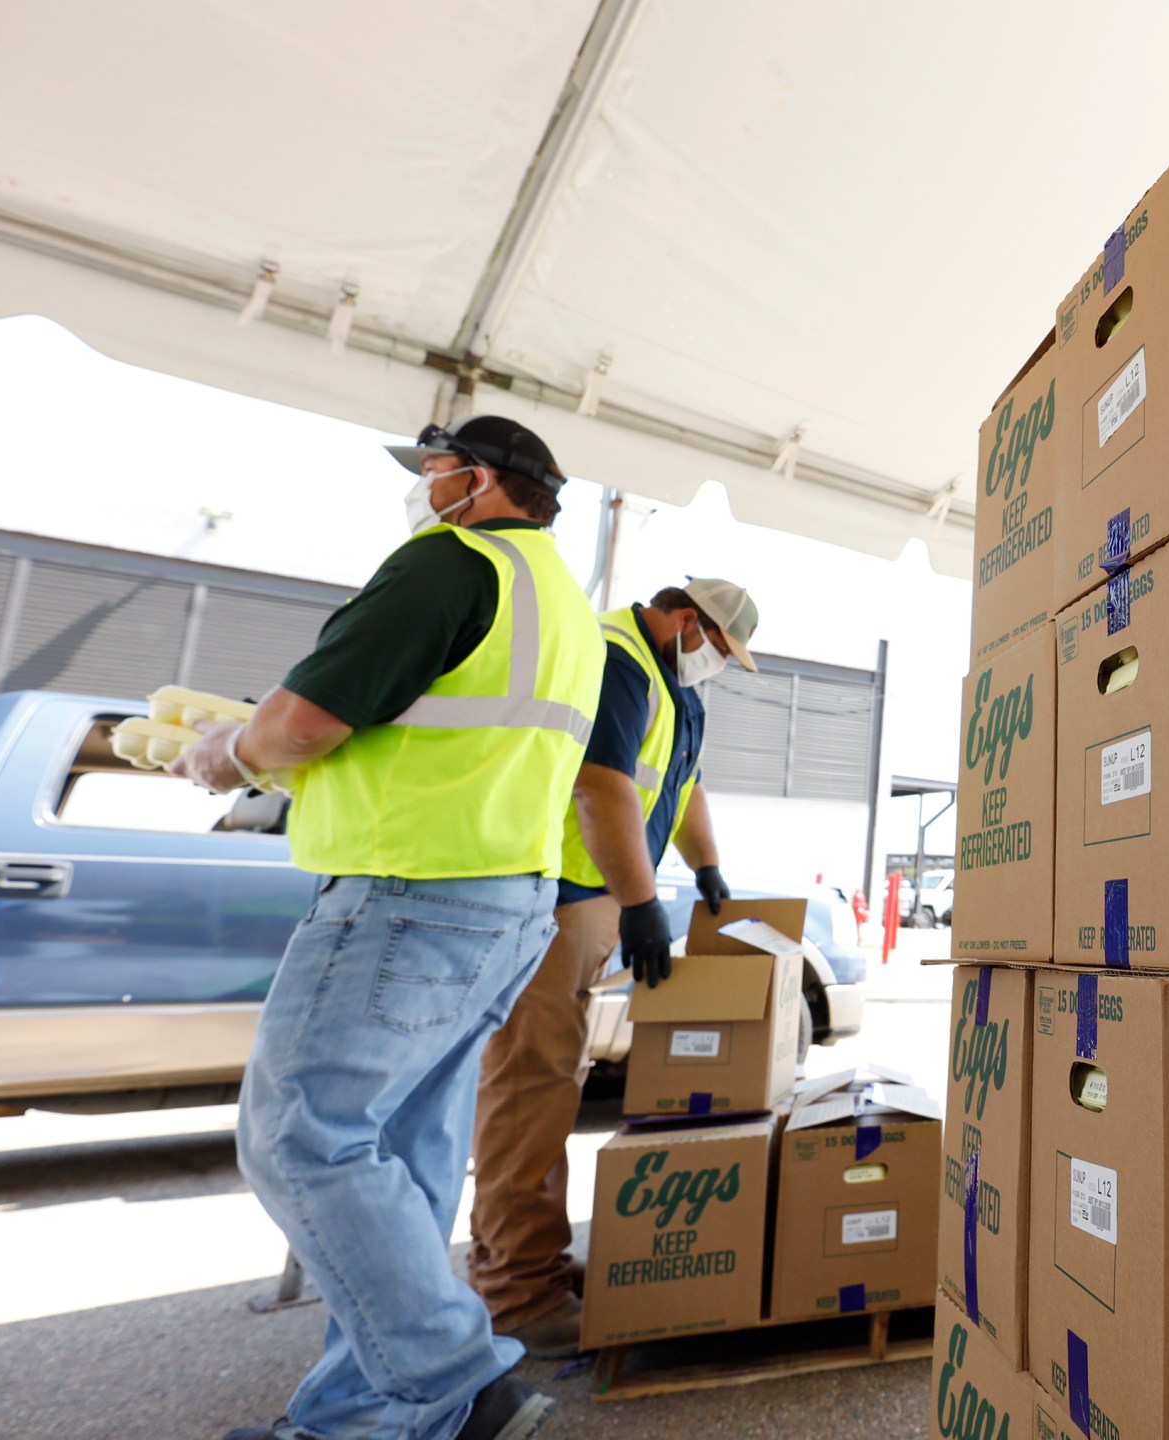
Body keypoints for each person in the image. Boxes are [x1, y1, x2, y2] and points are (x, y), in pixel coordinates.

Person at [173, 415, 602, 1440]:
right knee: (401, 1159)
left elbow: (305, 720)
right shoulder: (566, 606)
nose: (422, 488)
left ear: (480, 481)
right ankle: (364, 1420)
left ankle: (457, 1377)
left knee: (299, 1137)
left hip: (409, 893)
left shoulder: (449, 564)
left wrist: (230, 752)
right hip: (502, 901)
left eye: (434, 470)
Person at [466, 577, 763, 1357]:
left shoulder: (674, 685)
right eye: (719, 649)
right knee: (530, 1088)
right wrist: (640, 901)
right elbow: (599, 786)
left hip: (588, 897)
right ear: (687, 621)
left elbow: (683, 785)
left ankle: (530, 1263)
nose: (717, 665)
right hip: (557, 895)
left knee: (549, 1084)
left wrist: (706, 867)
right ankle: (516, 1292)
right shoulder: (617, 658)